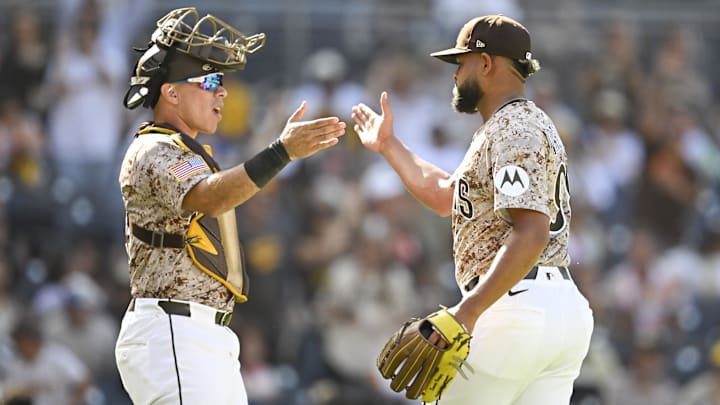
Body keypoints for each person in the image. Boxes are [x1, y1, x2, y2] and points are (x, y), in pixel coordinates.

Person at [351, 15, 594, 404]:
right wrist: (389, 145)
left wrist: (468, 311)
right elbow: (445, 195)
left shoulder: (514, 129)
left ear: (486, 63)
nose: (455, 75)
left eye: (460, 63)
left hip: (515, 307)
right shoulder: (509, 126)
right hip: (551, 310)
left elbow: (531, 231)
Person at [114, 7, 345, 405]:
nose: (222, 91)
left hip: (203, 335)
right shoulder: (154, 148)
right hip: (174, 329)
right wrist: (282, 151)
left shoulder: (188, 151)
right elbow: (211, 196)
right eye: (209, 80)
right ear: (170, 92)